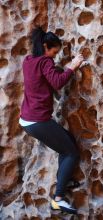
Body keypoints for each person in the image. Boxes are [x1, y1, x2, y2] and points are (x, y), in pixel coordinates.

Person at [19, 25, 84, 214]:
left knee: (68, 142)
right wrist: (72, 66)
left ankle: (63, 179)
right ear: (47, 46)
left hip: (27, 120)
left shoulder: (29, 60)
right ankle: (58, 199)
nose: (54, 57)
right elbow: (57, 82)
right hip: (38, 121)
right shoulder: (45, 62)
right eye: (54, 52)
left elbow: (43, 77)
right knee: (72, 153)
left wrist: (59, 67)